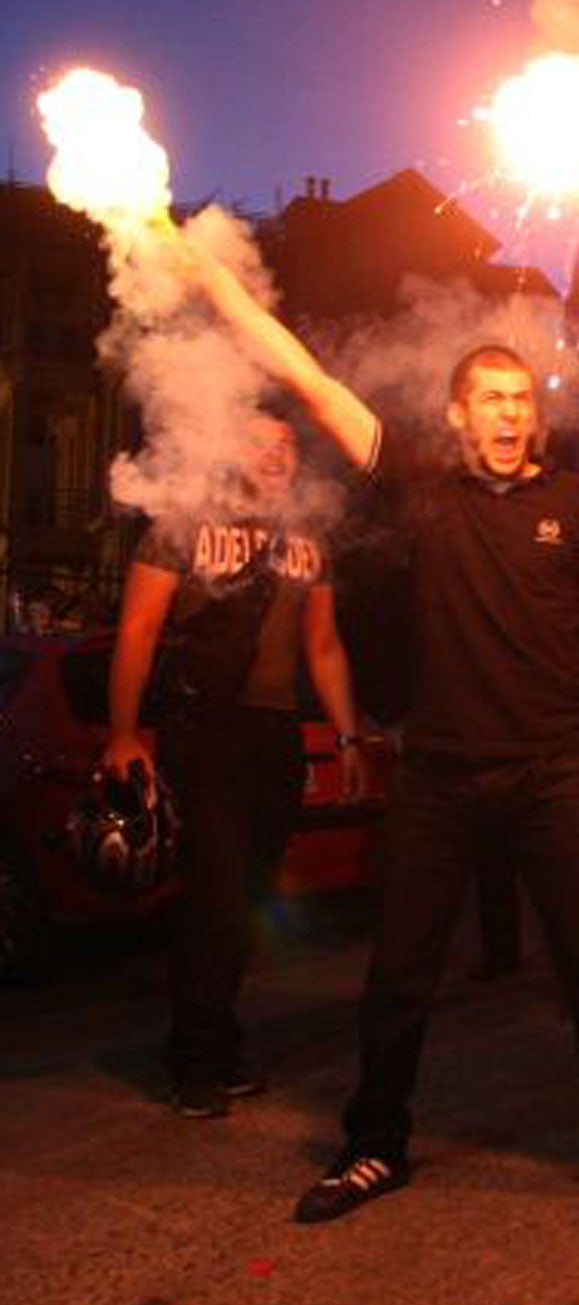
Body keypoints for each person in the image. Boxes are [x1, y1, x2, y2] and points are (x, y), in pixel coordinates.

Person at [176, 251, 579, 1227]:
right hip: (437, 776)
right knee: (398, 975)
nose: (505, 413)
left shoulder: (575, 507)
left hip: (554, 770)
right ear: (457, 414)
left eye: (519, 397)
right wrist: (214, 279)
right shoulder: (417, 485)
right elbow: (310, 381)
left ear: (535, 412)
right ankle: (374, 1147)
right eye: (487, 398)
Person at [103, 410, 363, 1118]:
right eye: (258, 441)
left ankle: (217, 1039)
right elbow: (138, 629)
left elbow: (325, 646)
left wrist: (347, 738)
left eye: (286, 444)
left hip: (274, 737)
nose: (276, 454)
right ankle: (193, 1061)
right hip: (203, 731)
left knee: (249, 900)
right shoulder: (183, 524)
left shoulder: (306, 537)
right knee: (212, 897)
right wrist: (125, 734)